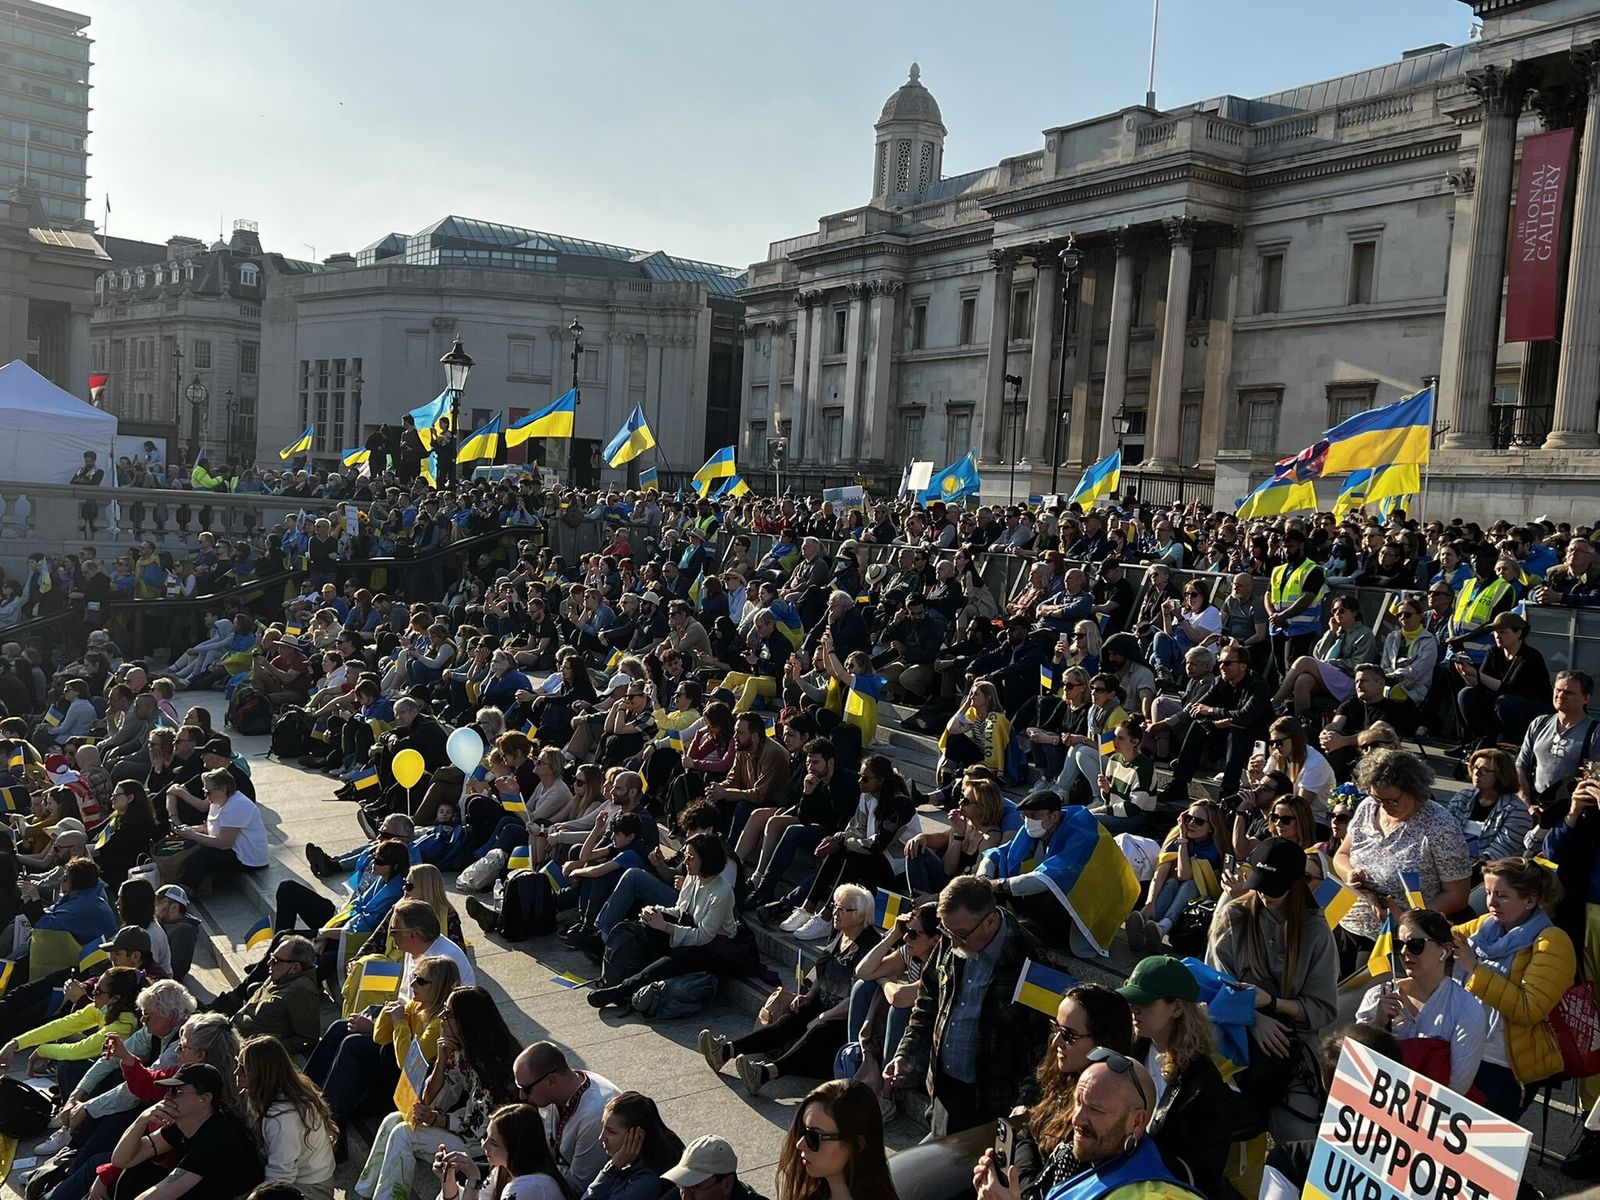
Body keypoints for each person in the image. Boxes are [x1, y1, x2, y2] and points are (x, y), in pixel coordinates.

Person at [883, 877, 1049, 1137]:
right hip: (944, 1090)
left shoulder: (1033, 961)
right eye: (946, 932)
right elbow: (927, 1002)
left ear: (990, 921)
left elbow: (1046, 1045)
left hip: (994, 1103)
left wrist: (1027, 1101)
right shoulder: (953, 938)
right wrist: (906, 1053)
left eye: (960, 935)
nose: (953, 943)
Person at [1207, 837, 1337, 1143]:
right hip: (1231, 1032)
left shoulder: (1316, 932)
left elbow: (1323, 1010)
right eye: (1259, 884)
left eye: (1273, 886)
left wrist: (1275, 1004)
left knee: (1298, 1137)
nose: (1264, 894)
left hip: (1293, 1044)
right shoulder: (1233, 917)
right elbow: (1214, 986)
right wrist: (1254, 1018)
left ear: (1296, 884)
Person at [703, 884, 881, 1094]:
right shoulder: (840, 932)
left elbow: (855, 997)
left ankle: (764, 1074)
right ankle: (725, 1051)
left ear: (861, 916)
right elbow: (824, 970)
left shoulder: (869, 947)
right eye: (834, 906)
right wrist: (808, 996)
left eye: (842, 909)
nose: (835, 912)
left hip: (845, 1019)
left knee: (818, 1031)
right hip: (824, 1003)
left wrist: (825, 1015)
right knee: (789, 1020)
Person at [355, 985, 521, 1200]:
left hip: (483, 1148)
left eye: (448, 1014)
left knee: (403, 1134)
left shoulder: (492, 1065)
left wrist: (437, 1120)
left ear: (466, 1022)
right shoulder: (459, 1050)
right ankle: (364, 1194)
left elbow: (477, 1128)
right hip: (464, 1132)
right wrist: (441, 1062)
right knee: (393, 1120)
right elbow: (432, 1101)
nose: (441, 1017)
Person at [973, 1054, 1201, 1200]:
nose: (1076, 1119)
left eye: (1096, 1110)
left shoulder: (1157, 1196)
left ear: (1137, 1122)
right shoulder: (1094, 1165)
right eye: (1078, 1103)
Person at [1451, 856, 1577, 1119]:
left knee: (1481, 1152)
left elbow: (1528, 1009)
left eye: (1502, 896)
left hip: (1503, 1067)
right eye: (1487, 893)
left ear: (1530, 901)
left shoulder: (1553, 941)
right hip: (1463, 1048)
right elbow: (1442, 936)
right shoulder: (1485, 925)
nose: (1491, 903)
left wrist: (1475, 969)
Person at [1332, 749, 1472, 973]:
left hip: (1397, 940)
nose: (1384, 805)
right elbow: (1342, 854)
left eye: (1391, 800)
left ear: (1414, 790)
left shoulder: (1440, 826)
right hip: (1349, 923)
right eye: (1378, 798)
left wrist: (1408, 920)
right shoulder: (1368, 808)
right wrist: (1349, 872)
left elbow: (1458, 894)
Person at [1004, 984, 1135, 1200]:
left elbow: (1048, 1190)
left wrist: (1018, 1182)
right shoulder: (1064, 1076)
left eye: (1069, 1035)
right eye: (1055, 1028)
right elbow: (1030, 1131)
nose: (1056, 1042)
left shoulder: (1103, 1115)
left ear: (1104, 1043)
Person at [1115, 956, 1229, 1198]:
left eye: (1145, 1002)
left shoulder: (1203, 1083)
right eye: (1132, 1000)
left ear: (1177, 1008)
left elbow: (1202, 1174)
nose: (1135, 1009)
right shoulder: (1128, 1050)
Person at [586, 834, 740, 1008]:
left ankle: (625, 988)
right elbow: (679, 910)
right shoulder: (693, 877)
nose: (686, 862)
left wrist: (665, 926)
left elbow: (704, 936)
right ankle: (614, 977)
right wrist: (655, 911)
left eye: (690, 858)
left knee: (677, 957)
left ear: (706, 860)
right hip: (690, 933)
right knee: (635, 928)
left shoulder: (722, 891)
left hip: (715, 949)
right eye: (686, 857)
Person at [773, 756, 918, 942]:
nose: (859, 781)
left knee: (851, 855)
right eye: (859, 776)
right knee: (840, 849)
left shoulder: (900, 803)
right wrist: (839, 838)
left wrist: (843, 841)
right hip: (875, 858)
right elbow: (855, 829)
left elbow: (877, 845)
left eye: (865, 778)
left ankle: (827, 916)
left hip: (898, 866)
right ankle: (807, 908)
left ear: (880, 781)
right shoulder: (867, 796)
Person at [1355, 908, 1486, 1094]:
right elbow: (1354, 1062)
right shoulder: (1378, 995)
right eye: (1398, 944)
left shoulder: (1466, 1009)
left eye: (1415, 944)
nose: (1404, 952)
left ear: (1446, 950)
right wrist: (1378, 1024)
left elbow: (1457, 1086)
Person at [104, 1063, 264, 1200]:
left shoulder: (219, 1138)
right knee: (136, 1172)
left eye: (176, 1092)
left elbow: (160, 1194)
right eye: (168, 1090)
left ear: (204, 1098)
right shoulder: (186, 1124)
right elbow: (121, 1160)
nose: (167, 1096)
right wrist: (142, 1119)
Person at [237, 1036, 339, 1200]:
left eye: (243, 1068)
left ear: (262, 1073)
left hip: (310, 1189)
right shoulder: (263, 1094)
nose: (236, 1073)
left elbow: (281, 1178)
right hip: (290, 1177)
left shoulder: (283, 1118)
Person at [513, 1040, 621, 1195]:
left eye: (526, 1089)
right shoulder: (559, 1089)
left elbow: (579, 1187)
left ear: (551, 1081)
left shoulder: (594, 1115)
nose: (521, 1096)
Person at [773, 1079, 898, 1200]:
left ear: (856, 1145)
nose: (800, 1144)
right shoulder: (811, 1192)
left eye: (814, 1137)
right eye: (802, 1131)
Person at [432, 1103, 575, 1200]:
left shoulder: (527, 1187)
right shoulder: (502, 1170)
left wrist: (474, 1179)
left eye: (494, 1143)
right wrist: (448, 1179)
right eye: (486, 1137)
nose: (484, 1146)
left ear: (518, 1149)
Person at [1454, 611, 1552, 751]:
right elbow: (1481, 683)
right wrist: (1465, 672)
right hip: (1504, 700)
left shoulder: (1529, 657)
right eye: (1495, 632)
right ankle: (1483, 738)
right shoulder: (1494, 652)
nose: (1497, 636)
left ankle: (1515, 744)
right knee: (1467, 694)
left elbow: (1509, 688)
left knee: (1505, 702)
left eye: (1503, 632)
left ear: (1518, 633)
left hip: (1532, 706)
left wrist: (1476, 674)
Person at [1445, 748, 1534, 881]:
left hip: (1488, 875)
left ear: (1501, 775)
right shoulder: (1462, 798)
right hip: (1451, 865)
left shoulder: (1517, 811)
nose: (1477, 773)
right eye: (1474, 767)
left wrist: (1467, 869)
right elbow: (1445, 834)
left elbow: (1500, 852)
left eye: (1485, 770)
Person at [175, 767, 270, 891]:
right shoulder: (219, 801)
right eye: (205, 791)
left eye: (208, 792)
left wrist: (193, 835)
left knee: (201, 856)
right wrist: (190, 830)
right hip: (234, 850)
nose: (205, 795)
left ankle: (183, 893)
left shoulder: (236, 806)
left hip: (247, 857)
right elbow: (211, 828)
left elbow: (223, 843)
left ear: (223, 789)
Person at [582, 1090, 686, 1200]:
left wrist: (611, 1169)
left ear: (637, 1135)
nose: (601, 1137)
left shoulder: (645, 1183)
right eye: (603, 1127)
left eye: (611, 1131)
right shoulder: (625, 1160)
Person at [232, 934, 325, 1056]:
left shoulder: (302, 991)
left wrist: (265, 1051)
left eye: (275, 960)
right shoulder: (280, 976)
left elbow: (307, 1038)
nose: (269, 963)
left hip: (248, 1051)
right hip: (233, 1034)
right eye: (271, 957)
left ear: (295, 967)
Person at [661, 1135, 770, 1200]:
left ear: (726, 1185)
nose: (685, 1197)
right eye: (681, 1184)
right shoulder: (681, 1193)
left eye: (695, 1187)